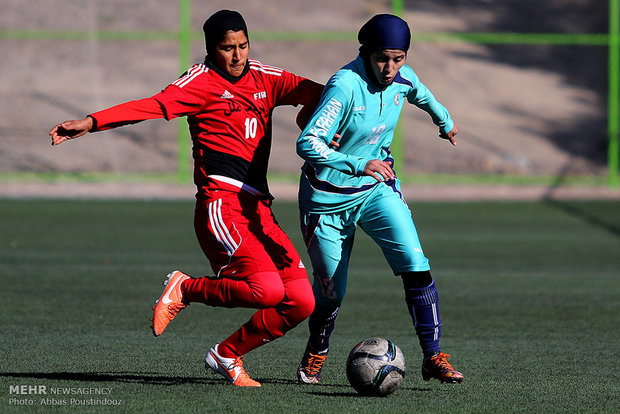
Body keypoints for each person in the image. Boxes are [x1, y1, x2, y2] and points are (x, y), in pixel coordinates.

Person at [49, 10, 324, 387]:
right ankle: (185, 287)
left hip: (258, 209)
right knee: (268, 290)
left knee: (300, 301)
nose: (238, 55)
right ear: (212, 49)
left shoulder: (266, 78)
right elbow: (148, 106)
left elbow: (321, 94)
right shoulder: (199, 82)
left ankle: (227, 355)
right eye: (228, 48)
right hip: (221, 203)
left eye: (243, 45)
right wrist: (91, 122)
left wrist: (316, 118)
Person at [294, 14, 464, 385]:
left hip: (375, 190)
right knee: (330, 293)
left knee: (415, 262)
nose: (390, 68)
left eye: (398, 58)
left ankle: (433, 356)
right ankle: (318, 348)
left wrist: (444, 122)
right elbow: (307, 143)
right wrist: (358, 162)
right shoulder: (345, 85)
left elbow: (421, 93)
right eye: (383, 58)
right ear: (367, 53)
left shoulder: (404, 76)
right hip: (326, 201)